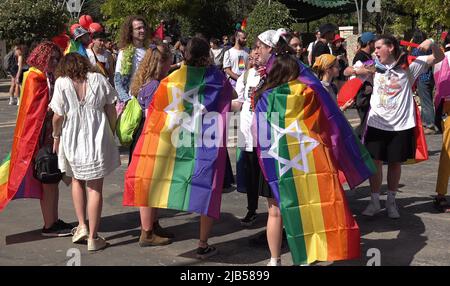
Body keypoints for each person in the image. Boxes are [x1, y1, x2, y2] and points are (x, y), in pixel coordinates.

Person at [124, 36, 234, 260]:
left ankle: (150, 228)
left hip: (176, 140)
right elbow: (231, 97)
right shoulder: (217, 78)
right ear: (207, 55)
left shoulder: (171, 79)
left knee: (165, 179)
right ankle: (203, 243)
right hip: (205, 142)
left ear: (184, 55)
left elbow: (157, 112)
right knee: (206, 188)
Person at [362, 35, 445, 219]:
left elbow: (439, 58)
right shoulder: (374, 65)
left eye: (378, 47)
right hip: (376, 123)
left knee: (394, 163)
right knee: (374, 163)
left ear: (390, 47)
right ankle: (374, 201)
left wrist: (431, 43)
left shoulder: (411, 65)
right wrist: (360, 70)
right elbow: (347, 72)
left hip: (400, 124)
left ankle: (391, 202)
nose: (375, 51)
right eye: (374, 48)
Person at [0, 41, 73, 236]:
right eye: (52, 58)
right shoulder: (35, 77)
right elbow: (34, 112)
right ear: (42, 58)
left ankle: (53, 220)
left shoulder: (46, 76)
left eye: (58, 58)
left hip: (49, 137)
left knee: (52, 181)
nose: (55, 62)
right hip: (39, 140)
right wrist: (55, 110)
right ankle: (49, 225)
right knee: (48, 181)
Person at [50, 53, 121, 251]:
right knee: (95, 187)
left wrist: (56, 137)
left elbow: (57, 117)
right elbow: (111, 108)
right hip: (97, 136)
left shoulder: (62, 83)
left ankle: (82, 225)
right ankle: (93, 237)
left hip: (72, 135)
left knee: (76, 180)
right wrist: (112, 130)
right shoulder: (98, 79)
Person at [128, 42, 174, 246]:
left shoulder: (145, 83)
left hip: (144, 135)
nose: (172, 64)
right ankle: (147, 232)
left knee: (150, 184)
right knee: (149, 185)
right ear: (160, 63)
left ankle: (152, 224)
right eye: (169, 60)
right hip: (152, 137)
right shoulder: (156, 86)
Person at [232, 48, 261, 226]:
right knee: (249, 171)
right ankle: (252, 209)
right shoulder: (245, 76)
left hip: (264, 126)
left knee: (265, 172)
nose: (255, 60)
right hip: (245, 129)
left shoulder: (271, 74)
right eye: (252, 57)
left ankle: (277, 213)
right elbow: (238, 103)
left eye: (258, 56)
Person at [114, 15, 150, 105]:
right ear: (131, 32)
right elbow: (118, 81)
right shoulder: (125, 52)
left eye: (143, 27)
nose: (142, 30)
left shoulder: (149, 51)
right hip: (132, 100)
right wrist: (126, 100)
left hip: (148, 98)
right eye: (138, 28)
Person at [433, 32, 450, 212]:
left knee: (447, 155)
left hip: (445, 109)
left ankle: (441, 194)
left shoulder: (441, 59)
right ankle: (440, 195)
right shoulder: (447, 58)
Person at [411, 30, 439, 134]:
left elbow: (412, 59)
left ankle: (430, 125)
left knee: (425, 102)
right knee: (427, 101)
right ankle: (425, 122)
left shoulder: (418, 50)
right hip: (430, 77)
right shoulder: (429, 49)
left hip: (423, 78)